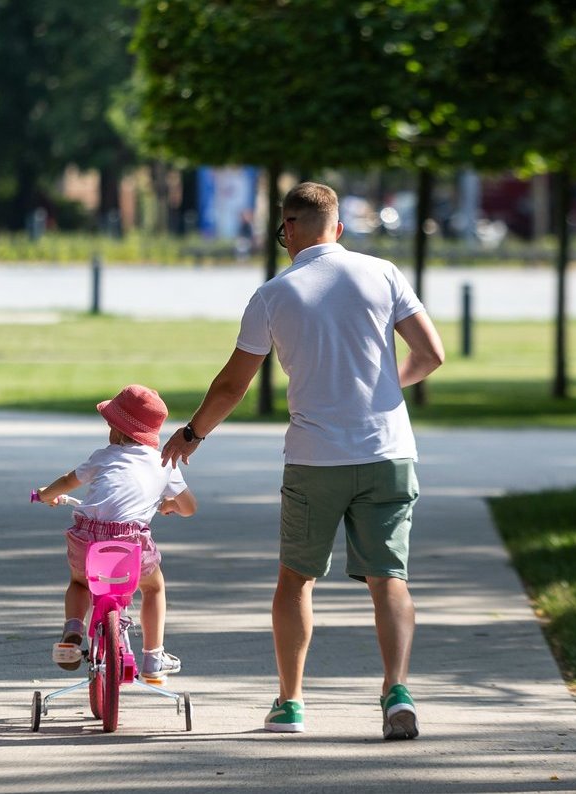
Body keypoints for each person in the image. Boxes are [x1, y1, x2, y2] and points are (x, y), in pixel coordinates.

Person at [161, 182, 445, 740]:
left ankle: (290, 704)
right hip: (388, 450)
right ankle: (397, 692)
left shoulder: (273, 294)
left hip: (316, 458)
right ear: (337, 228)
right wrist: (386, 388)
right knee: (389, 578)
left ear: (287, 230)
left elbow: (231, 385)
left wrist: (192, 434)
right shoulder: (383, 273)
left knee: (295, 582)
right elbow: (431, 353)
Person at [36, 384, 198, 684]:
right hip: (130, 546)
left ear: (115, 427)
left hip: (88, 540)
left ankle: (73, 627)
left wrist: (47, 494)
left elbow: (67, 482)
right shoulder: (164, 461)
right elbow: (190, 507)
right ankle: (153, 655)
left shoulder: (102, 456)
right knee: (153, 587)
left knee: (79, 582)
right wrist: (172, 504)